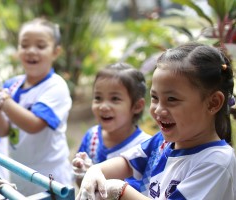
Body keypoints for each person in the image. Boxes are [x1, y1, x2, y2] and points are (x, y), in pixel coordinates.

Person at [77, 42, 236, 200]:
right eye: (154, 98)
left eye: (172, 99)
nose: (158, 109)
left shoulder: (216, 163)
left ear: (213, 103)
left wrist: (121, 191)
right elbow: (126, 164)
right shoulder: (162, 142)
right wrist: (95, 171)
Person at [0, 18, 72, 195]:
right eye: (24, 45)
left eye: (40, 46)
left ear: (56, 52)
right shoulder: (13, 85)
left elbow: (34, 125)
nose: (31, 51)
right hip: (19, 172)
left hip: (49, 176)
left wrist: (3, 100)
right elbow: (1, 131)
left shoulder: (56, 86)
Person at [72, 63, 151, 189]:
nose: (103, 106)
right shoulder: (92, 137)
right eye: (98, 98)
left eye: (115, 99)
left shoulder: (145, 147)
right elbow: (80, 185)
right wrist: (81, 173)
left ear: (137, 106)